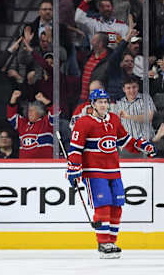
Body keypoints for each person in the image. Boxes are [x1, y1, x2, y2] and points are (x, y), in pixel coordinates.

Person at [66, 89, 157, 259]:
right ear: (92, 104)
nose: (103, 105)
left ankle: (112, 241)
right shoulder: (83, 123)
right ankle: (103, 243)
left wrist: (141, 145)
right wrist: (73, 168)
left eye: (105, 102)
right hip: (94, 172)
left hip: (114, 171)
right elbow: (76, 149)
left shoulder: (114, 119)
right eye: (99, 102)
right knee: (103, 205)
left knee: (117, 205)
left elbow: (124, 140)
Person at [7, 90, 56, 158]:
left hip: (44, 165)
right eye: (29, 110)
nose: (29, 112)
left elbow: (55, 112)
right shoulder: (23, 124)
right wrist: (13, 98)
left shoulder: (46, 122)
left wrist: (43, 99)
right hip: (25, 165)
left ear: (40, 112)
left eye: (32, 110)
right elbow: (11, 116)